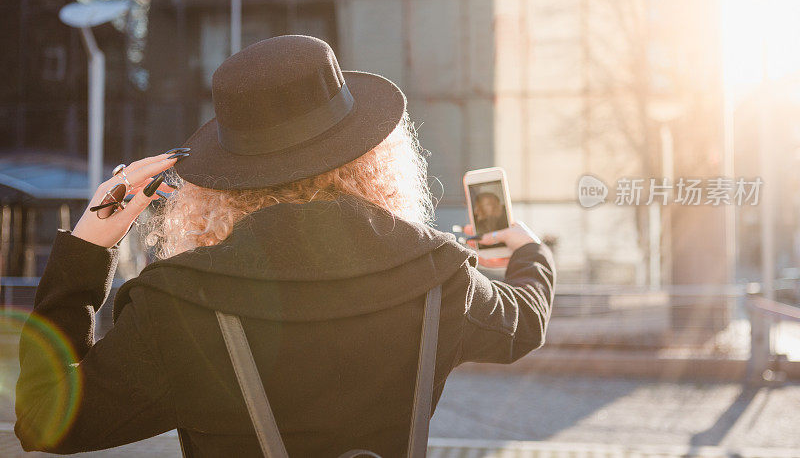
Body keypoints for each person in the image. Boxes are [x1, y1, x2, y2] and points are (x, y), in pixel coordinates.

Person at [15, 35, 556, 457]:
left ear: (226, 176)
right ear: (369, 154)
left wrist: (88, 245)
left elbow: (43, 418)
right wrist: (529, 252)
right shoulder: (440, 274)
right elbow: (524, 323)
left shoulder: (176, 305)